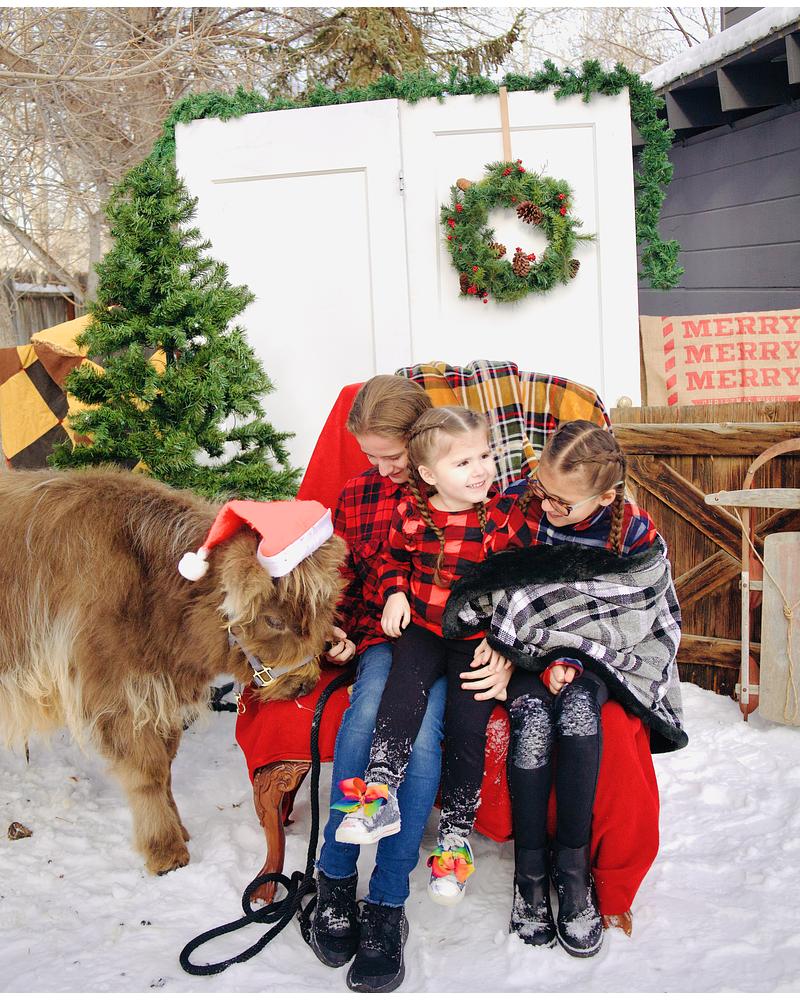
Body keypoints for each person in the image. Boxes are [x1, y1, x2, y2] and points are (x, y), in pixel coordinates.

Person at [309, 377, 512, 993]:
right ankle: (334, 878)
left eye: (392, 456)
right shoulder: (359, 494)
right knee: (368, 710)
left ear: (424, 447)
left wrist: (508, 650)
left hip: (455, 643)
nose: (382, 468)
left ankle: (386, 903)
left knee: (421, 742)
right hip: (385, 636)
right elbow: (342, 577)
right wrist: (332, 629)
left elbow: (521, 581)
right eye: (371, 457)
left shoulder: (478, 492)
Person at [467, 419, 680, 958]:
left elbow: (634, 615)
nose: (546, 505)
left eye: (561, 503)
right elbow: (493, 585)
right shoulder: (519, 506)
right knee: (534, 721)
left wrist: (572, 657)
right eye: (540, 487)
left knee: (581, 711)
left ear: (606, 496)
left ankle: (574, 872)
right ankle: (531, 876)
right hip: (524, 651)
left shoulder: (633, 532)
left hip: (600, 659)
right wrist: (520, 649)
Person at [330, 407, 525, 907]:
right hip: (421, 631)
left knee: (466, 731)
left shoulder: (502, 517)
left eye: (485, 456)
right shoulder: (412, 513)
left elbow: (520, 585)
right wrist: (395, 592)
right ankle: (378, 793)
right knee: (398, 698)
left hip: (474, 641)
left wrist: (504, 641)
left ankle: (455, 838)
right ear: (430, 474)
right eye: (463, 463)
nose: (480, 470)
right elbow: (392, 560)